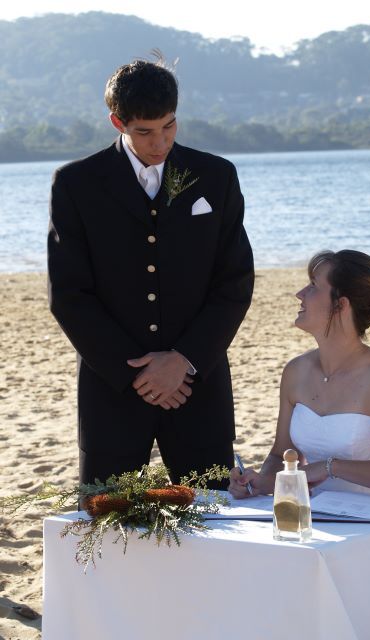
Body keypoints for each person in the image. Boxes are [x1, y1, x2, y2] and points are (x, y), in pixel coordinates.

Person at [48, 57, 254, 488]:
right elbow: (69, 294)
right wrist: (136, 374)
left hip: (198, 387)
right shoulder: (76, 184)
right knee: (109, 521)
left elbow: (234, 282)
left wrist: (184, 360)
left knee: (216, 517)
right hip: (112, 393)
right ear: (117, 122)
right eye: (144, 131)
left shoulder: (216, 176)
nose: (160, 142)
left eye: (169, 126)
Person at [229, 249, 370, 498]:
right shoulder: (296, 371)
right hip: (313, 514)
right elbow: (280, 455)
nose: (300, 294)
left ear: (340, 304)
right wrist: (260, 483)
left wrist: (330, 468)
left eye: (313, 286)